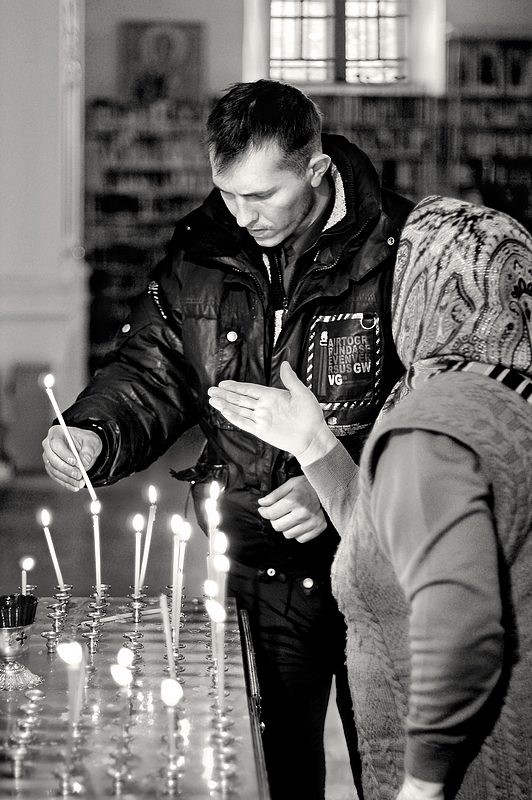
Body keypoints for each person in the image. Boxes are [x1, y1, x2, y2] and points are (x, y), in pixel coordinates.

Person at [42, 79, 414, 800]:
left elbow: (433, 411)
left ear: (315, 170)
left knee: (391, 761)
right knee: (272, 764)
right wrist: (94, 431)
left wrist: (336, 473)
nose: (241, 217)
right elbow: (157, 369)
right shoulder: (202, 247)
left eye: (261, 197)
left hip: (378, 559)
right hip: (257, 556)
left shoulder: (404, 249)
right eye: (228, 193)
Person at [207, 195, 532, 800]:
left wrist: (422, 783)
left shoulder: (437, 420)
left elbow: (459, 621)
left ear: (425, 293)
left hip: (471, 770)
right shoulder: (506, 393)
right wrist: (315, 445)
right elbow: (399, 545)